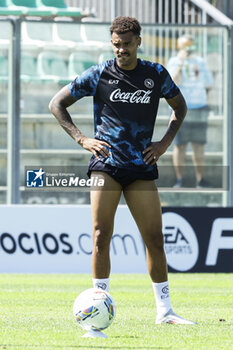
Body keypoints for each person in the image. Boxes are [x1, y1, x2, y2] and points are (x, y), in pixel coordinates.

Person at [49, 16, 195, 332]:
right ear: (111, 43)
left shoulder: (155, 75)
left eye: (127, 45)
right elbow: (57, 103)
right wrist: (82, 138)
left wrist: (164, 143)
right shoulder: (99, 74)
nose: (122, 51)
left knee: (155, 239)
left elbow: (180, 108)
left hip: (141, 167)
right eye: (116, 45)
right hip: (107, 166)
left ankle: (165, 311)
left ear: (138, 42)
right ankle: (97, 310)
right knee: (101, 234)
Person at [166, 34, 213, 188]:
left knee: (199, 145)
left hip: (199, 107)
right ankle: (179, 180)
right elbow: (173, 83)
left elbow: (208, 83)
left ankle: (201, 180)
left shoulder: (200, 62)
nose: (188, 50)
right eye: (185, 47)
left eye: (190, 46)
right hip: (180, 109)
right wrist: (181, 63)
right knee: (180, 146)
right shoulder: (173, 62)